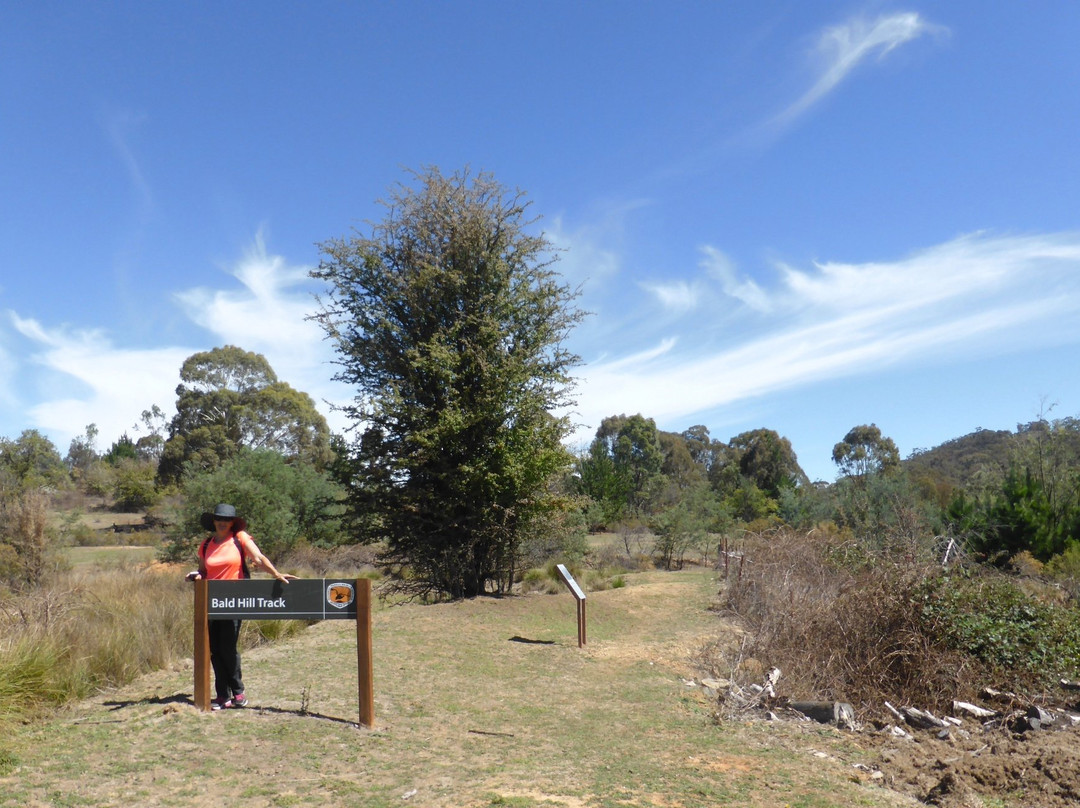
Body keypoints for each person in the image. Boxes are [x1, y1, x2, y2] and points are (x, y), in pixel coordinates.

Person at [185, 503, 295, 710]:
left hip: (234, 600)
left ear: (232, 522)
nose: (222, 523)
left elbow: (258, 558)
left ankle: (238, 692)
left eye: (226, 520)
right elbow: (203, 571)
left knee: (228, 647)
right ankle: (222, 696)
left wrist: (276, 574)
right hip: (210, 602)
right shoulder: (207, 544)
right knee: (214, 649)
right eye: (219, 519)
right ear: (214, 521)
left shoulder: (240, 538)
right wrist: (195, 575)